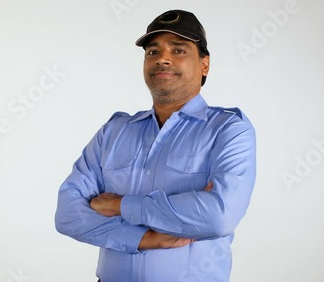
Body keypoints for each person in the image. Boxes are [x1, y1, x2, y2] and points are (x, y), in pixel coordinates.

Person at [55, 9, 256, 282]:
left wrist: (120, 205)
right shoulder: (114, 131)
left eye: (179, 50)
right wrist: (145, 238)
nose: (162, 58)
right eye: (153, 52)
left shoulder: (228, 130)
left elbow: (219, 216)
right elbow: (67, 214)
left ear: (205, 64)